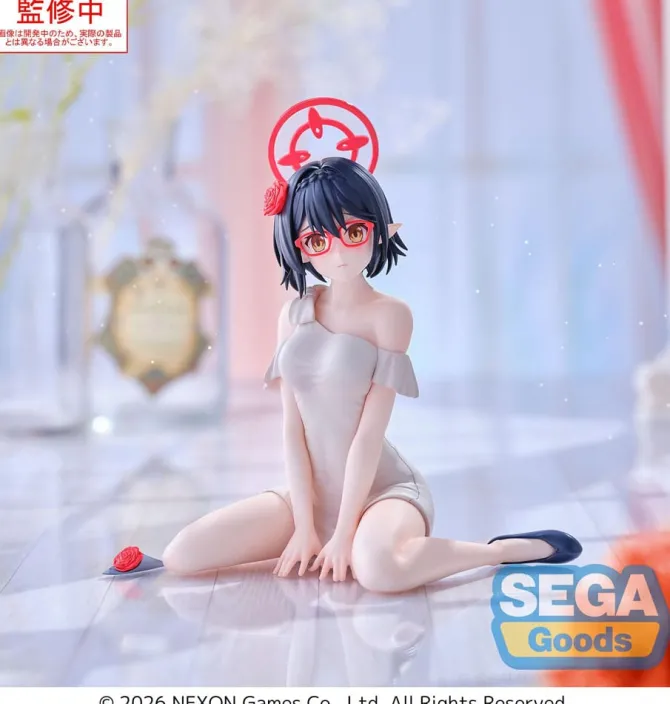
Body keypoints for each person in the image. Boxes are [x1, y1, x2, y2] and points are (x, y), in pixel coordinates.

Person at [106, 100, 582, 592]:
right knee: (183, 556)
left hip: (382, 492)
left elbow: (368, 436)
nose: (337, 252)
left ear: (380, 228)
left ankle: (500, 550)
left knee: (379, 570)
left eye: (354, 232)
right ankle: (318, 532)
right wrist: (307, 525)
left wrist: (346, 531)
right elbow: (292, 429)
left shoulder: (389, 315)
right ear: (296, 245)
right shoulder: (294, 314)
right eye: (316, 241)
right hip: (308, 496)